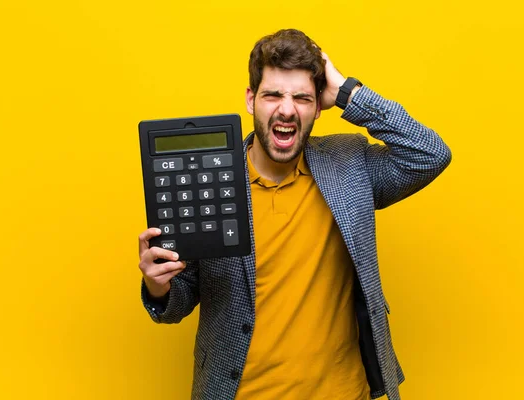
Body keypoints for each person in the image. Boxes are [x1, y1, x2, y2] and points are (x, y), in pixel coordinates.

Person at [137, 29, 451, 400]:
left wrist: (348, 92)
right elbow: (177, 304)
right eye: (273, 95)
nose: (287, 109)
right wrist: (159, 285)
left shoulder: (350, 166)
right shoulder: (208, 182)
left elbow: (430, 153)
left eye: (302, 97)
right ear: (251, 101)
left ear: (319, 106)